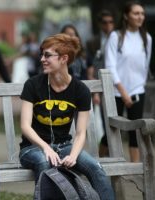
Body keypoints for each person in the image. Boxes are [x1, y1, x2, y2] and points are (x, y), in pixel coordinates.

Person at [19, 33, 115, 200]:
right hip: (32, 148)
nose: (42, 59)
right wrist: (45, 147)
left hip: (64, 147)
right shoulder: (33, 85)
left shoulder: (80, 90)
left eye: (47, 55)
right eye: (42, 54)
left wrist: (73, 155)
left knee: (95, 168)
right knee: (44, 162)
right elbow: (25, 126)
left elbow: (80, 132)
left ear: (64, 58)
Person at [104, 1, 152, 162]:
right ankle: (99, 165)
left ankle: (135, 170)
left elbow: (145, 65)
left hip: (137, 91)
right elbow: (110, 65)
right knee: (110, 131)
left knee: (135, 132)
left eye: (142, 14)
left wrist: (139, 86)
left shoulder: (147, 38)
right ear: (126, 16)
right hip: (117, 92)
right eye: (136, 13)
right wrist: (123, 91)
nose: (140, 17)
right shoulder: (115, 37)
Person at [85, 10, 115, 156]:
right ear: (99, 24)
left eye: (111, 22)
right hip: (101, 86)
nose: (108, 25)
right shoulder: (92, 42)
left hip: (118, 87)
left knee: (117, 125)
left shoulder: (120, 39)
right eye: (105, 22)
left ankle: (109, 157)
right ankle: (104, 158)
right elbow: (91, 68)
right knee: (107, 125)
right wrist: (95, 91)